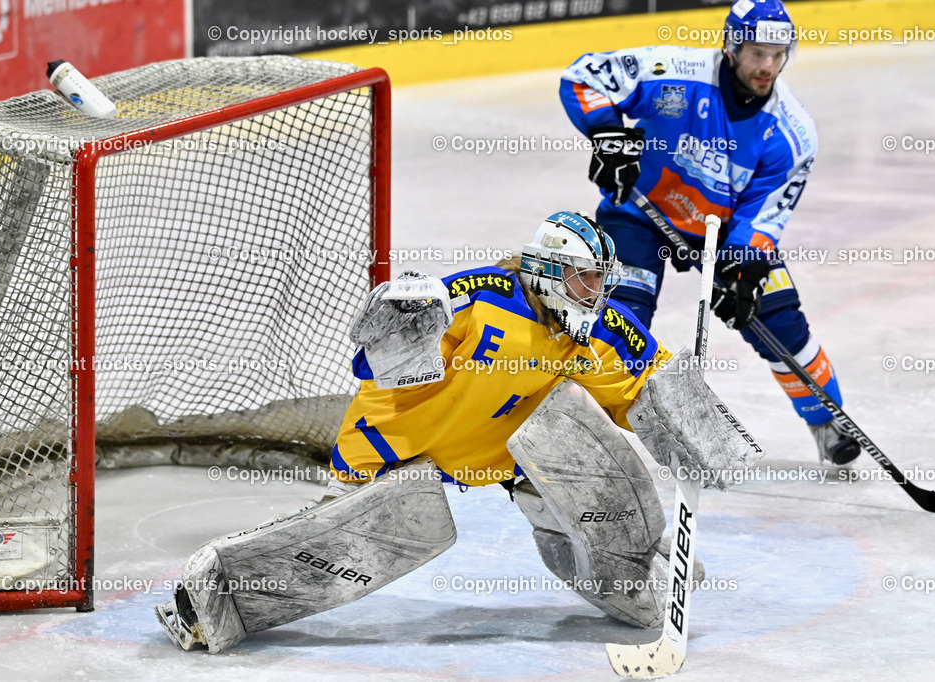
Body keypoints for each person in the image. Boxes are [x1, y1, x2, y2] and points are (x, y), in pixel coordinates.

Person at [154, 210, 761, 653]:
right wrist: (400, 321)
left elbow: (644, 386)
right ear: (549, 273)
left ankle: (641, 566)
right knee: (338, 544)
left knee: (575, 420)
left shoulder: (597, 329)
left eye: (601, 279)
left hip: (508, 455)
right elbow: (375, 360)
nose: (595, 293)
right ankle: (206, 602)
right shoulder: (481, 299)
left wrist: (687, 420)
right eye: (583, 279)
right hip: (395, 449)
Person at [560, 0, 860, 465]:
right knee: (621, 318)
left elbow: (763, 217)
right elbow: (585, 76)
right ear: (731, 46)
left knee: (776, 316)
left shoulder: (792, 133)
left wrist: (744, 271)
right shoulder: (674, 71)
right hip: (639, 212)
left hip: (720, 232)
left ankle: (825, 420)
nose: (767, 66)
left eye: (778, 54)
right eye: (757, 53)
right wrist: (607, 136)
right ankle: (587, 429)